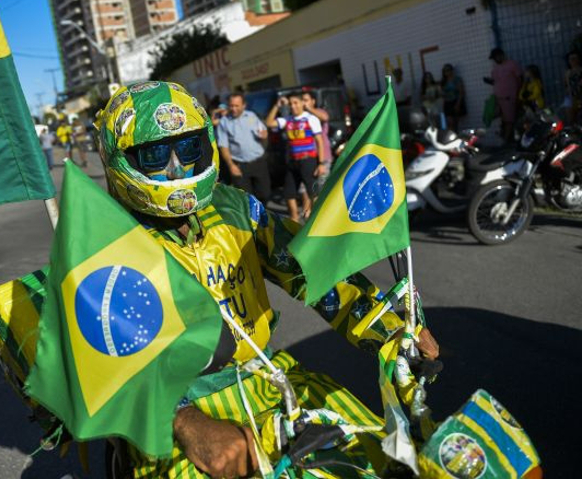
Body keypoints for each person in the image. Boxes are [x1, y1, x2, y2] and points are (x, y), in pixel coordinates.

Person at [86, 81, 439, 478]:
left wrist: (392, 329)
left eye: (187, 149)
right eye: (154, 154)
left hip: (268, 379)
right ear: (121, 159)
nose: (176, 168)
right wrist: (184, 421)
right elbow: (96, 358)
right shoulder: (101, 243)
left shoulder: (236, 207)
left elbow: (312, 272)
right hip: (173, 408)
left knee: (383, 458)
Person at [265, 92, 326, 222]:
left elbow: (319, 141)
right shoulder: (287, 120)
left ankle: (318, 219)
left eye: (296, 103)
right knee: (288, 193)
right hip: (292, 162)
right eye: (290, 103)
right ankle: (294, 219)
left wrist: (321, 163)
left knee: (312, 192)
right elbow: (269, 123)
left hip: (308, 160)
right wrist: (277, 106)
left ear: (302, 103)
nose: (293, 106)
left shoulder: (310, 118)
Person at [215, 93, 271, 205]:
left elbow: (263, 131)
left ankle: (264, 216)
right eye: (231, 106)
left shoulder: (251, 116)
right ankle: (254, 221)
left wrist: (264, 135)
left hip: (258, 163)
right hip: (239, 166)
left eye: (237, 106)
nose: (234, 109)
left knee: (265, 194)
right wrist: (231, 165)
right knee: (246, 199)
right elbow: (223, 146)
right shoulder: (224, 123)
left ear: (244, 105)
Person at [484, 48, 522, 142]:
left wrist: (520, 94)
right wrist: (489, 81)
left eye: (496, 57)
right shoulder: (495, 68)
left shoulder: (512, 64)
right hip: (499, 98)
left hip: (510, 97)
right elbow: (497, 82)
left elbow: (520, 79)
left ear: (501, 55)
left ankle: (506, 141)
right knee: (502, 119)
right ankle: (507, 138)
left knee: (509, 119)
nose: (495, 60)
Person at [441, 63, 466, 133]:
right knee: (449, 122)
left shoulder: (457, 79)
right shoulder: (444, 82)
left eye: (449, 70)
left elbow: (461, 92)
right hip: (447, 102)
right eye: (445, 71)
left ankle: (456, 136)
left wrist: (458, 103)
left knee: (455, 122)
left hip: (455, 101)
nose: (447, 72)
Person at [566, 51, 582, 125]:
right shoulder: (568, 72)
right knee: (571, 118)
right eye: (570, 59)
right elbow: (567, 85)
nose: (572, 61)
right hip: (572, 96)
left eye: (574, 59)